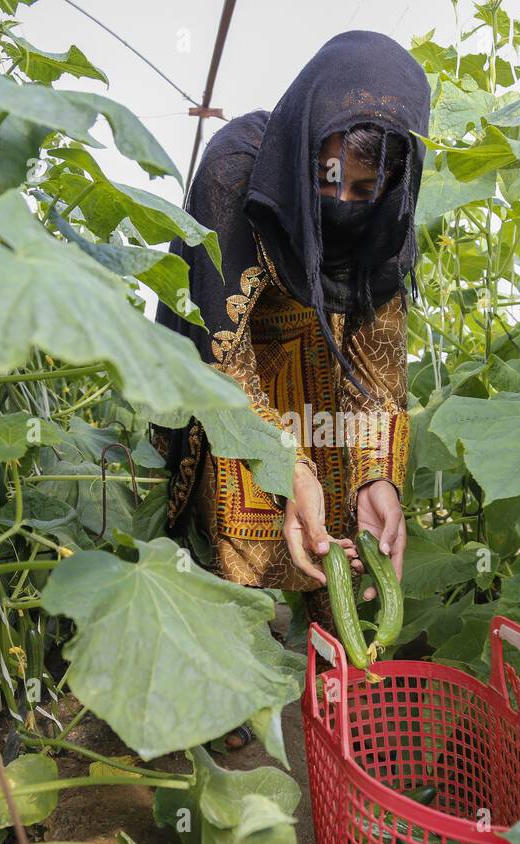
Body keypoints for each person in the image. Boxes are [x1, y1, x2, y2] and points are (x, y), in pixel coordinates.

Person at [153, 29, 430, 678]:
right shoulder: (234, 171)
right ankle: (232, 668)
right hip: (232, 363)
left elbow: (377, 358)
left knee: (343, 488)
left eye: (362, 191)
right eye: (326, 178)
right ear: (305, 142)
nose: (339, 203)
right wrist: (289, 470)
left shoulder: (389, 207)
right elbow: (225, 356)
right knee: (242, 501)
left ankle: (338, 651)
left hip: (320, 366)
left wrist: (378, 475)